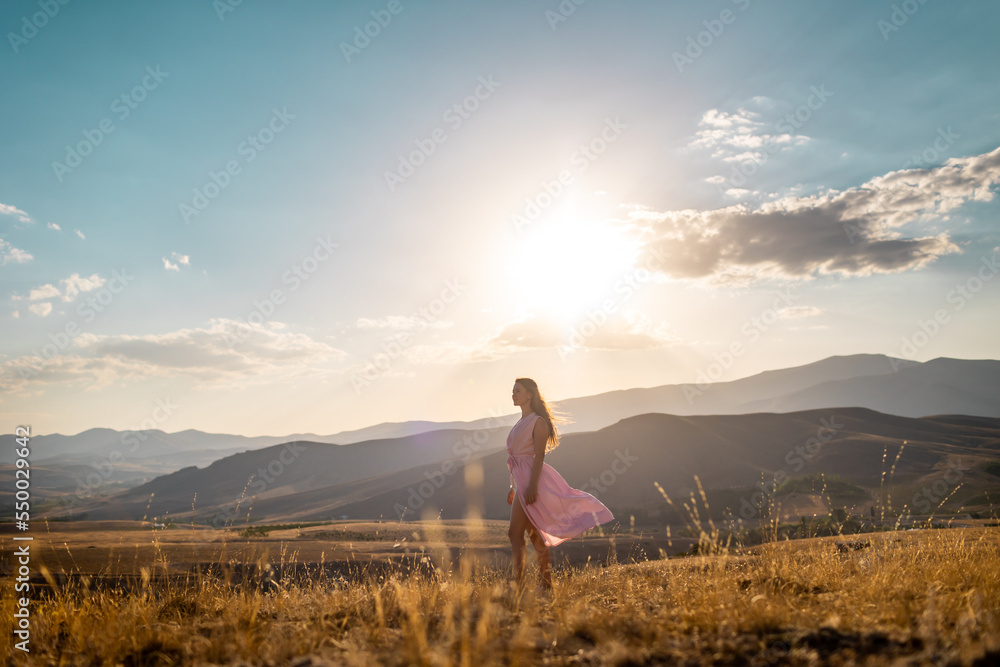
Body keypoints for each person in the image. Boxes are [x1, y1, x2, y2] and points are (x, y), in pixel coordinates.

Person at [506, 377, 615, 595]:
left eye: (518, 391)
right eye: (513, 391)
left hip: (532, 480)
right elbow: (516, 459)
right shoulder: (520, 422)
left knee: (514, 534)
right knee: (535, 536)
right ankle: (546, 586)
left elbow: (538, 457)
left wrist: (532, 487)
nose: (513, 394)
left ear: (530, 394)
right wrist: (513, 487)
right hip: (521, 481)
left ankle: (519, 587)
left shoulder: (538, 422)